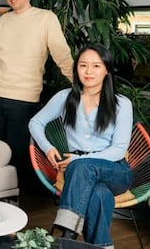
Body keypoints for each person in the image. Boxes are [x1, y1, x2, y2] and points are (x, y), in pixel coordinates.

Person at [28, 44, 133, 248]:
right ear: (76, 69)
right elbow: (35, 123)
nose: (88, 71)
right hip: (80, 174)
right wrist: (48, 147)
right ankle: (101, 245)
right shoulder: (65, 98)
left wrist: (78, 160)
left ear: (107, 70)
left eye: (96, 66)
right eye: (83, 65)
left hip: (116, 170)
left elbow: (119, 149)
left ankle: (67, 238)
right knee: (99, 195)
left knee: (81, 166)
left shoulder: (122, 103)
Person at [0, 0, 73, 190]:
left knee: (19, 155)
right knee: (1, 155)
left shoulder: (45, 18)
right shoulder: (3, 21)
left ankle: (18, 204)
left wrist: (81, 86)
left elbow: (62, 55)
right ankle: (5, 198)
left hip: (24, 101)